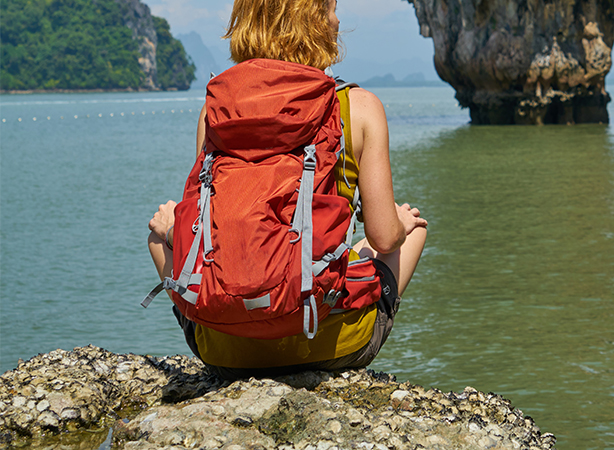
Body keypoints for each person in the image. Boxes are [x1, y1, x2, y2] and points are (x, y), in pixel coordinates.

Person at [146, 0, 427, 380]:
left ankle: (224, 331)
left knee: (157, 235)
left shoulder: (216, 111)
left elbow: (202, 226)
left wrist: (169, 230)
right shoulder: (357, 107)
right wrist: (400, 222)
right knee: (410, 230)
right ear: (313, 22)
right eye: (331, 8)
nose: (337, 19)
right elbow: (384, 238)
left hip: (224, 351)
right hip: (328, 342)